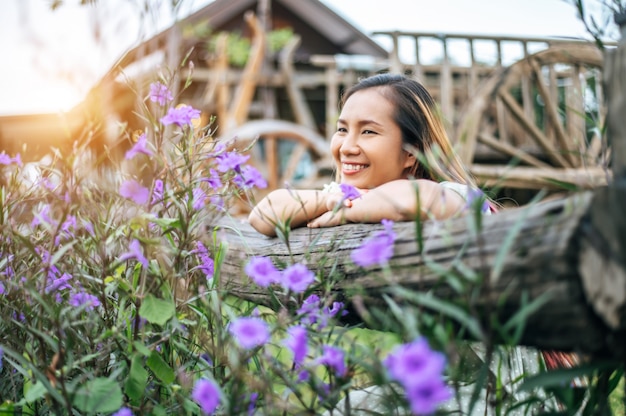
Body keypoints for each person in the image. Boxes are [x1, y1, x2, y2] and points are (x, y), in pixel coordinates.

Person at [248, 73, 490, 237]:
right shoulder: (338, 197)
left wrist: (347, 211)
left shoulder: (456, 195)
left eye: (368, 131)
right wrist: (330, 201)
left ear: (411, 151)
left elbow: (419, 198)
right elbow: (262, 213)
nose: (346, 147)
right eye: (342, 129)